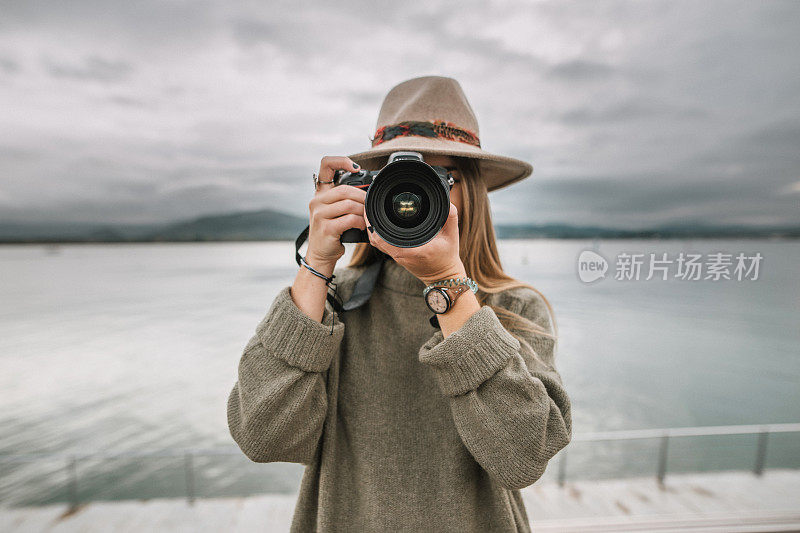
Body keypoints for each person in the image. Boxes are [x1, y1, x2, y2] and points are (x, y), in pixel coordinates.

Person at [227, 76, 572, 532]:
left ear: (471, 192)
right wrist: (316, 266)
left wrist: (448, 286)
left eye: (435, 177)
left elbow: (523, 458)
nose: (411, 195)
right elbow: (263, 438)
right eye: (398, 180)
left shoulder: (514, 307)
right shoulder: (334, 301)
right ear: (366, 190)